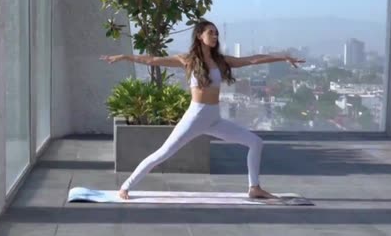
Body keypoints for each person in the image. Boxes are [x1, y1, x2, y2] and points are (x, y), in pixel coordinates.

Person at [100, 20, 305, 200]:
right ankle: (126, 186)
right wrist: (124, 57)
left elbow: (252, 59)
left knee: (255, 142)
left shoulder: (220, 61)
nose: (215, 36)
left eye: (216, 33)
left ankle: (254, 187)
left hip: (214, 118)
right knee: (162, 154)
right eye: (210, 33)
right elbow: (152, 60)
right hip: (195, 117)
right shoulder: (188, 59)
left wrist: (283, 57)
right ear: (199, 36)